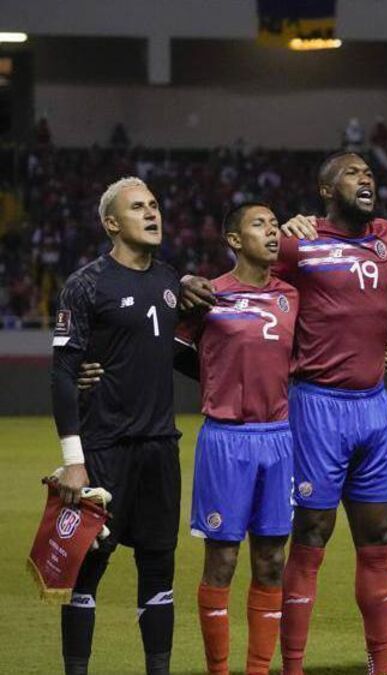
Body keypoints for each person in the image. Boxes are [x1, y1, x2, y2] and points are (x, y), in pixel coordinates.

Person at [192, 152, 387, 675]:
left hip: (376, 405)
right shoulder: (296, 243)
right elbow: (246, 279)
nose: (366, 178)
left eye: (369, 172)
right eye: (352, 173)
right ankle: (292, 666)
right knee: (308, 536)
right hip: (316, 407)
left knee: (380, 537)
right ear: (326, 189)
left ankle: (383, 665)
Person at [51, 177, 182, 674]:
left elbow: (180, 353)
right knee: (86, 570)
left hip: (160, 449)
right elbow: (63, 373)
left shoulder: (170, 279)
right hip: (104, 450)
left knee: (159, 568)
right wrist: (73, 462)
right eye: (137, 207)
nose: (152, 214)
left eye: (155, 204)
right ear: (111, 223)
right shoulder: (85, 284)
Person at [165, 203, 297, 674]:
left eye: (275, 224)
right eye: (260, 225)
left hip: (278, 438)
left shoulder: (292, 296)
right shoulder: (208, 295)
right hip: (227, 439)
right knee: (222, 561)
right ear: (235, 240)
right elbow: (173, 352)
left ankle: (258, 669)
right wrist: (215, 376)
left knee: (271, 562)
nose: (273, 232)